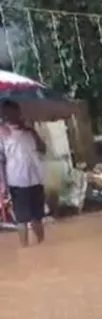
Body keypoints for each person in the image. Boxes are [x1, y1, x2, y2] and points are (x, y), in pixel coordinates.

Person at [0, 100, 47, 247]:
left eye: (15, 111)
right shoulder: (2, 133)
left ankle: (42, 246)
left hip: (35, 179)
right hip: (17, 181)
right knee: (22, 219)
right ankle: (25, 247)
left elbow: (43, 149)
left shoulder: (29, 132)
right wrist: (3, 185)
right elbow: (1, 161)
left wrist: (33, 132)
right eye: (8, 112)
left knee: (37, 217)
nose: (12, 115)